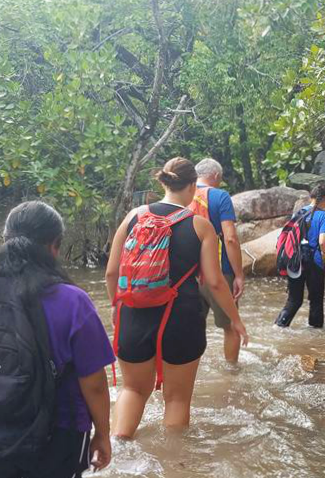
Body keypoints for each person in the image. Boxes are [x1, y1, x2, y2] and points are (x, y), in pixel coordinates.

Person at [0, 201, 114, 477]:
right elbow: (94, 384)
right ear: (54, 246)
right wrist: (103, 434)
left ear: (5, 240)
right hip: (60, 431)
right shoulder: (72, 301)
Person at [106, 157, 249, 437]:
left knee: (133, 389)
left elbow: (112, 273)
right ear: (193, 185)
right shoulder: (200, 226)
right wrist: (235, 319)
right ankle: (174, 463)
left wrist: (116, 306)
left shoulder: (133, 216)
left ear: (163, 182)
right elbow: (216, 282)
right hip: (181, 318)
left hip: (133, 314)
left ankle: (118, 455)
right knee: (177, 399)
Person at [190, 158, 245, 363]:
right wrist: (239, 274)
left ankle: (191, 373)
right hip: (218, 272)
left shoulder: (182, 197)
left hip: (188, 274)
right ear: (215, 176)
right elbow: (230, 238)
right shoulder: (219, 196)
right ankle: (231, 372)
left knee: (193, 328)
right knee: (231, 326)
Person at [275, 184, 325, 328]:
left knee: (294, 300)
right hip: (314, 262)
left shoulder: (299, 213)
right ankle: (316, 332)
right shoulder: (324, 215)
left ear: (311, 198)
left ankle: (278, 326)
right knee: (316, 300)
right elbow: (322, 241)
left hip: (295, 261)